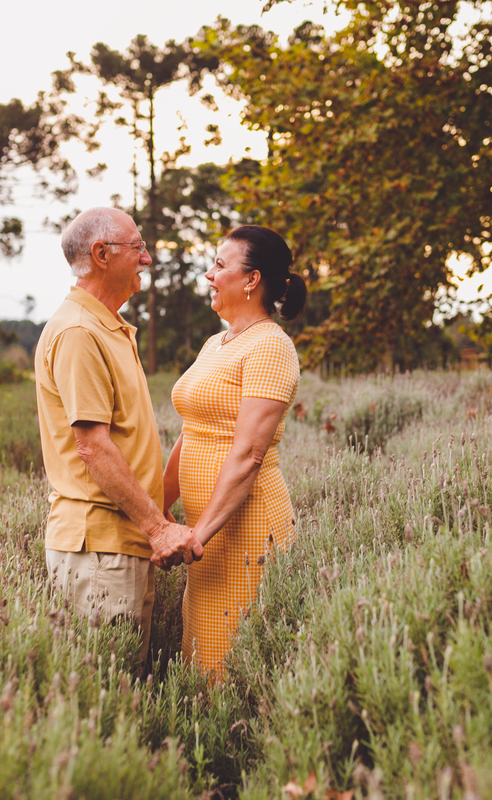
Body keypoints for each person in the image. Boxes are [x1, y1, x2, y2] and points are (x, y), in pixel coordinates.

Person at [35, 207, 202, 670]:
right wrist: (159, 528)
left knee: (128, 688)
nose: (147, 259)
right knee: (107, 697)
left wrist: (155, 514)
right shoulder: (78, 332)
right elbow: (91, 446)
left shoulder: (108, 327)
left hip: (121, 542)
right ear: (101, 254)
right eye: (139, 247)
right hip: (100, 548)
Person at [162, 225, 308, 676]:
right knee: (200, 653)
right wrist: (159, 509)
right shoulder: (216, 344)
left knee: (234, 660)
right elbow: (192, 433)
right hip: (206, 533)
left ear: (251, 280)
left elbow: (248, 456)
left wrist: (196, 536)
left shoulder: (270, 346)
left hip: (245, 531)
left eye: (220, 265)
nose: (209, 274)